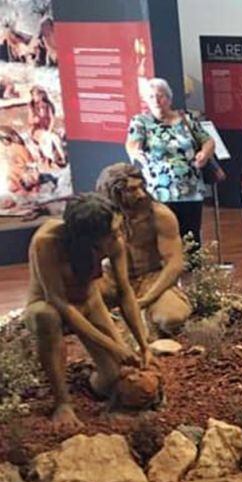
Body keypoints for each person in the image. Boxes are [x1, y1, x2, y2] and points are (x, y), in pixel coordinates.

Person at [24, 193, 151, 429]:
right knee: (46, 316)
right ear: (88, 239)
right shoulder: (47, 241)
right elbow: (59, 302)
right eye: (112, 233)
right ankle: (63, 401)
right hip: (49, 306)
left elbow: (125, 292)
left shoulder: (114, 242)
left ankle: (87, 382)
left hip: (89, 303)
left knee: (114, 378)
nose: (119, 236)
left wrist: (143, 345)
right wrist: (114, 346)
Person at [95, 163, 191, 335]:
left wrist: (146, 300)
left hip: (150, 278)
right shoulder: (99, 217)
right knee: (71, 304)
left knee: (172, 317)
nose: (140, 194)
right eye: (131, 190)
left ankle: (146, 316)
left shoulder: (160, 215)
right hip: (112, 279)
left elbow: (174, 264)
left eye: (141, 187)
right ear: (114, 192)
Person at [126, 77, 214, 246]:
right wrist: (137, 153)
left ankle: (193, 271)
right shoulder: (141, 122)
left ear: (169, 98)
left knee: (191, 236)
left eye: (161, 96)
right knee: (164, 236)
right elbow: (132, 144)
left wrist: (204, 153)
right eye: (151, 97)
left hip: (191, 188)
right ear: (146, 100)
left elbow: (208, 141)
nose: (157, 101)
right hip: (160, 190)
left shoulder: (185, 118)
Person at [28, 85, 64, 168]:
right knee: (46, 138)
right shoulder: (32, 106)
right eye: (33, 95)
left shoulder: (47, 105)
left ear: (42, 95)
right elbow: (30, 121)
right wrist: (35, 120)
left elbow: (52, 118)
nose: (35, 97)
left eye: (36, 95)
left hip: (46, 129)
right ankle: (50, 159)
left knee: (55, 138)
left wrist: (50, 130)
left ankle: (61, 158)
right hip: (36, 130)